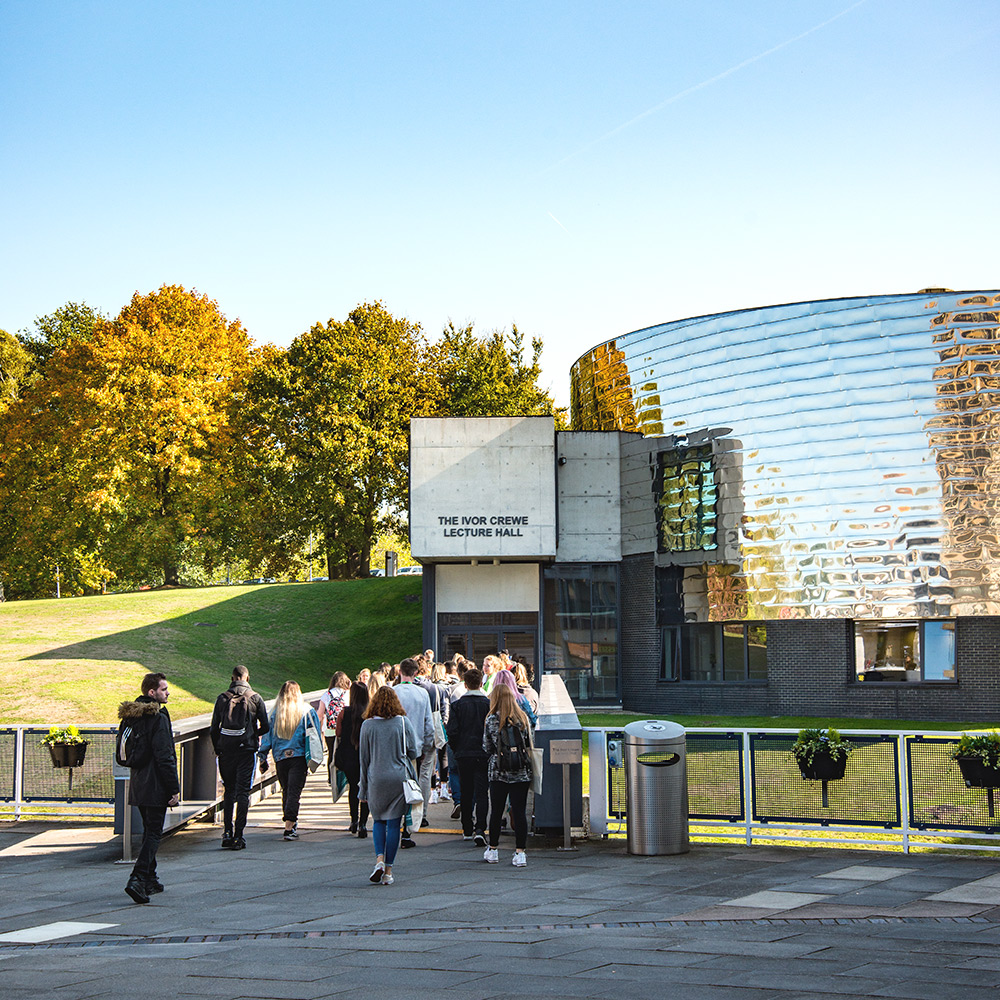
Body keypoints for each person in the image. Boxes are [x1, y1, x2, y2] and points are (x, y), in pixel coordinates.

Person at [117, 672, 180, 903]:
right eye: (164, 689)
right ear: (152, 693)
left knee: (148, 830)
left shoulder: (130, 717)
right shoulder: (159, 718)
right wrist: (174, 788)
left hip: (138, 784)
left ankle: (151, 879)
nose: (168, 692)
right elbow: (165, 756)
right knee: (154, 833)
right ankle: (137, 877)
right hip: (155, 786)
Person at [358, 685, 419, 886]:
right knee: (394, 824)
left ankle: (379, 860)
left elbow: (363, 760)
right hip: (398, 778)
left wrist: (363, 789)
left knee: (378, 822)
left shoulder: (366, 726)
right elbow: (413, 751)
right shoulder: (402, 722)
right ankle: (389, 871)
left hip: (376, 778)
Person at [210, 664, 269, 850]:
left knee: (229, 791)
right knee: (243, 792)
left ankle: (226, 832)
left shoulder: (222, 698)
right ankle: (239, 836)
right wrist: (252, 735)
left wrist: (218, 748)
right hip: (246, 750)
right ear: (247, 678)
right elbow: (266, 726)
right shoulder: (255, 698)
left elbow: (213, 729)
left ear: (232, 678)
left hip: (226, 751)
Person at [257, 681, 321, 841]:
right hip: (298, 757)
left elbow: (266, 738)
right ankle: (289, 826)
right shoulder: (306, 711)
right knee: (294, 792)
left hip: (280, 758)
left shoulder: (274, 713)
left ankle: (290, 820)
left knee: (286, 790)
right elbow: (314, 734)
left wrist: (262, 757)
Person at [482, 683, 532, 868]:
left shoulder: (491, 719)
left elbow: (486, 747)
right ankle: (520, 853)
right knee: (519, 812)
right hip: (520, 771)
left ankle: (493, 849)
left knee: (496, 810)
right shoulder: (522, 718)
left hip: (498, 770)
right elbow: (528, 743)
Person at [445, 666, 490, 845]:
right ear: (481, 683)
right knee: (481, 792)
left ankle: (466, 828)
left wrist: (456, 749)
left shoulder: (457, 705)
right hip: (482, 752)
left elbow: (452, 731)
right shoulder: (488, 704)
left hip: (463, 752)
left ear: (465, 684)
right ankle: (480, 828)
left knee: (466, 791)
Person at [392, 657, 434, 844]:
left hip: (393, 748)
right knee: (411, 787)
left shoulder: (392, 692)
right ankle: (408, 829)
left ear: (400, 672)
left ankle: (393, 824)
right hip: (414, 749)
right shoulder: (422, 694)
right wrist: (426, 746)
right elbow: (429, 725)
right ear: (416, 673)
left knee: (395, 789)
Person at [334, 680, 370, 837]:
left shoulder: (344, 712)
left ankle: (353, 820)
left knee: (353, 788)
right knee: (365, 789)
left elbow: (338, 733)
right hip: (365, 756)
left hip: (348, 755)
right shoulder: (369, 713)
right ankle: (363, 823)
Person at [319, 671, 351, 783]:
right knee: (344, 752)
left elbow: (320, 714)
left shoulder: (326, 695)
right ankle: (344, 779)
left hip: (329, 729)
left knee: (331, 753)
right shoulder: (348, 694)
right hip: (344, 729)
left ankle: (331, 778)